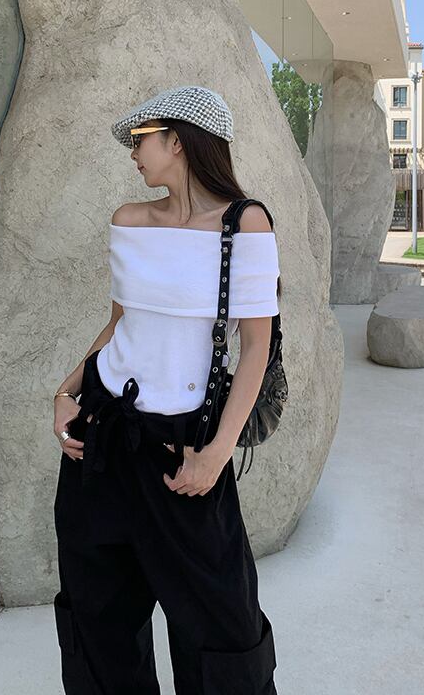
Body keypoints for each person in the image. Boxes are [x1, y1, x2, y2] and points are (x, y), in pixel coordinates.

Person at [51, 85, 280, 695]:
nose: (133, 152)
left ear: (178, 140)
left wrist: (217, 454)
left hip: (184, 448)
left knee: (221, 626)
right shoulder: (129, 220)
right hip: (102, 438)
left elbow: (256, 348)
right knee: (99, 618)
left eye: (140, 139)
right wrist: (66, 391)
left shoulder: (244, 224)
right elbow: (120, 323)